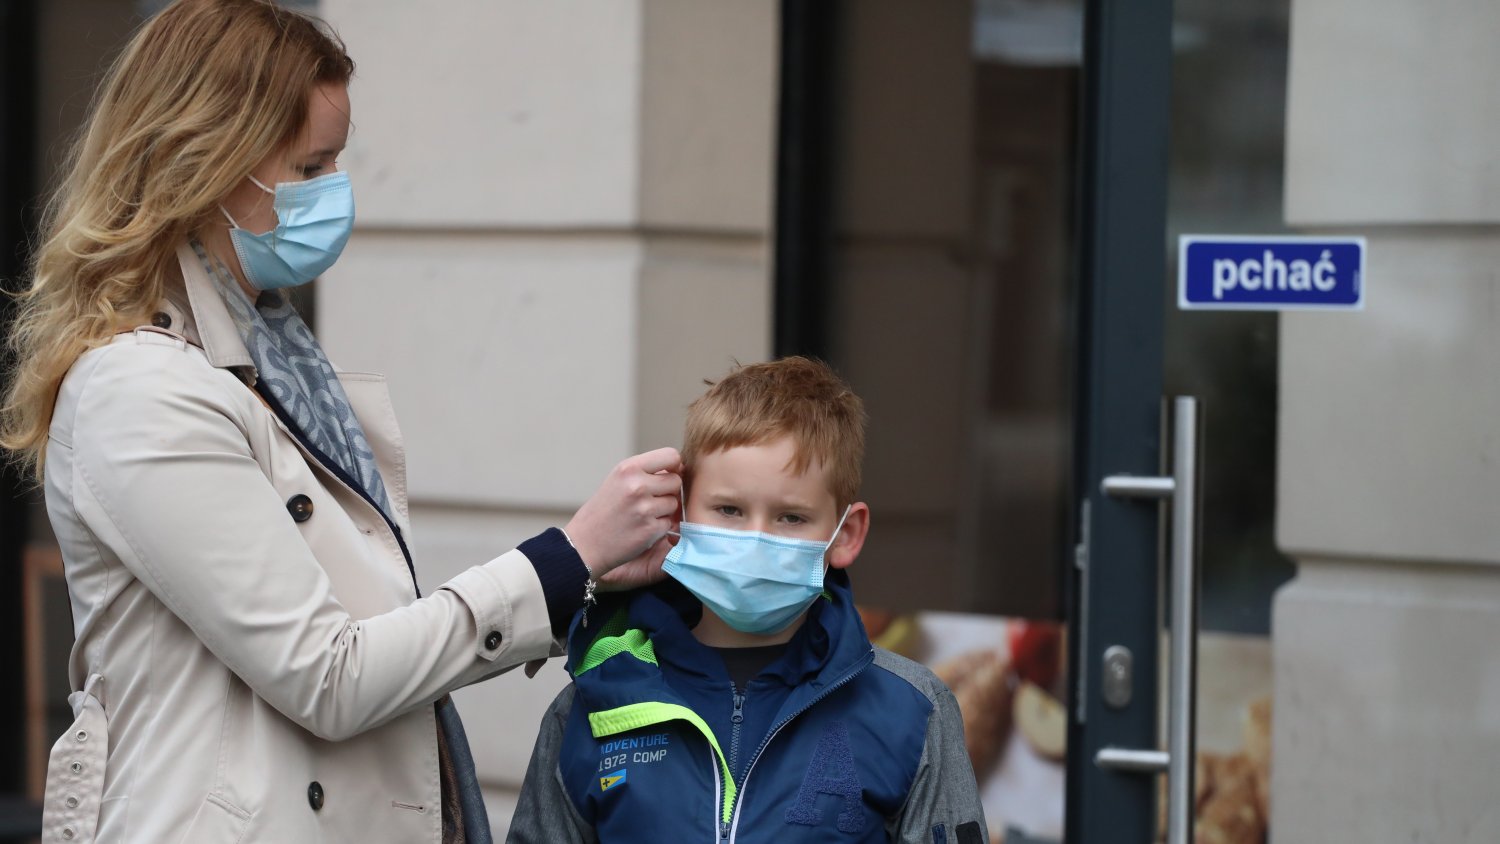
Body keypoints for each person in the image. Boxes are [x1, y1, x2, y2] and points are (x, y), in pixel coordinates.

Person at [0, 2, 680, 842]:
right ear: (207, 161)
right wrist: (559, 560)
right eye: (310, 164)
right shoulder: (142, 391)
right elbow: (327, 674)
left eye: (336, 161)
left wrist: (582, 576)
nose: (334, 192)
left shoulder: (270, 358)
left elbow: (365, 630)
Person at [508, 357, 988, 843]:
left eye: (791, 518)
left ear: (846, 534)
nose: (756, 538)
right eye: (729, 509)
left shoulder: (911, 708)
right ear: (679, 513)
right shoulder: (595, 701)